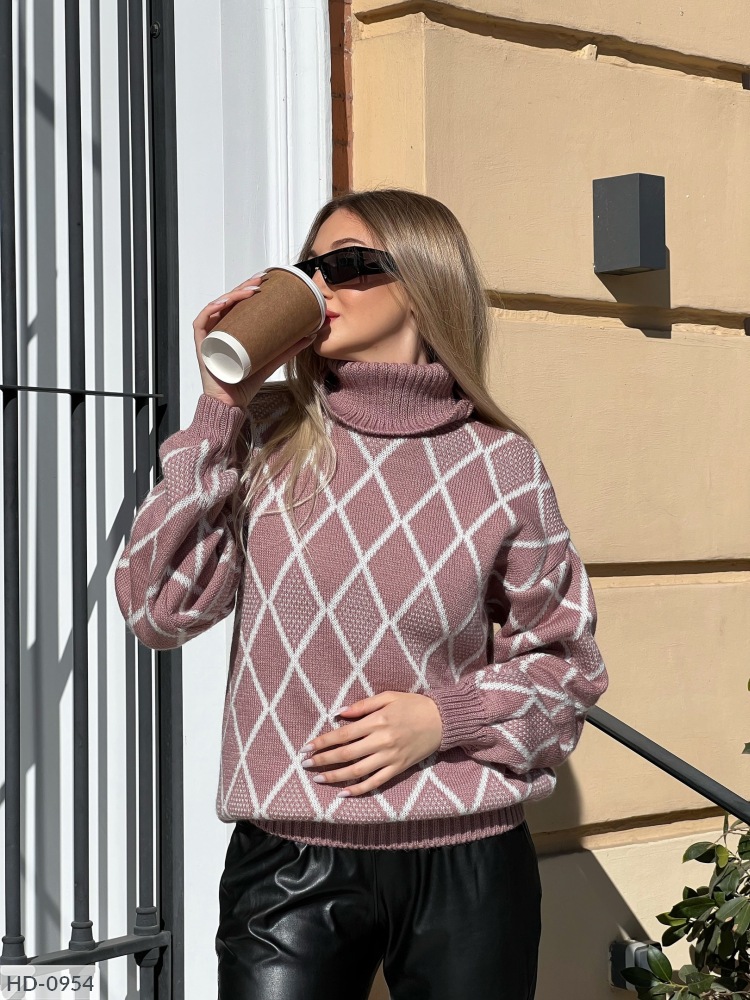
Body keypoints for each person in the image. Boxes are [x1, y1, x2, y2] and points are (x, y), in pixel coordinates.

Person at [115, 187, 609, 1000]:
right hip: (291, 860)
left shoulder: (503, 464)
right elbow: (157, 609)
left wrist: (444, 718)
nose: (319, 286)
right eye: (308, 268)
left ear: (421, 282)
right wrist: (219, 408)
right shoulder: (265, 432)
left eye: (345, 266)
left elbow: (569, 669)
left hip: (469, 855)